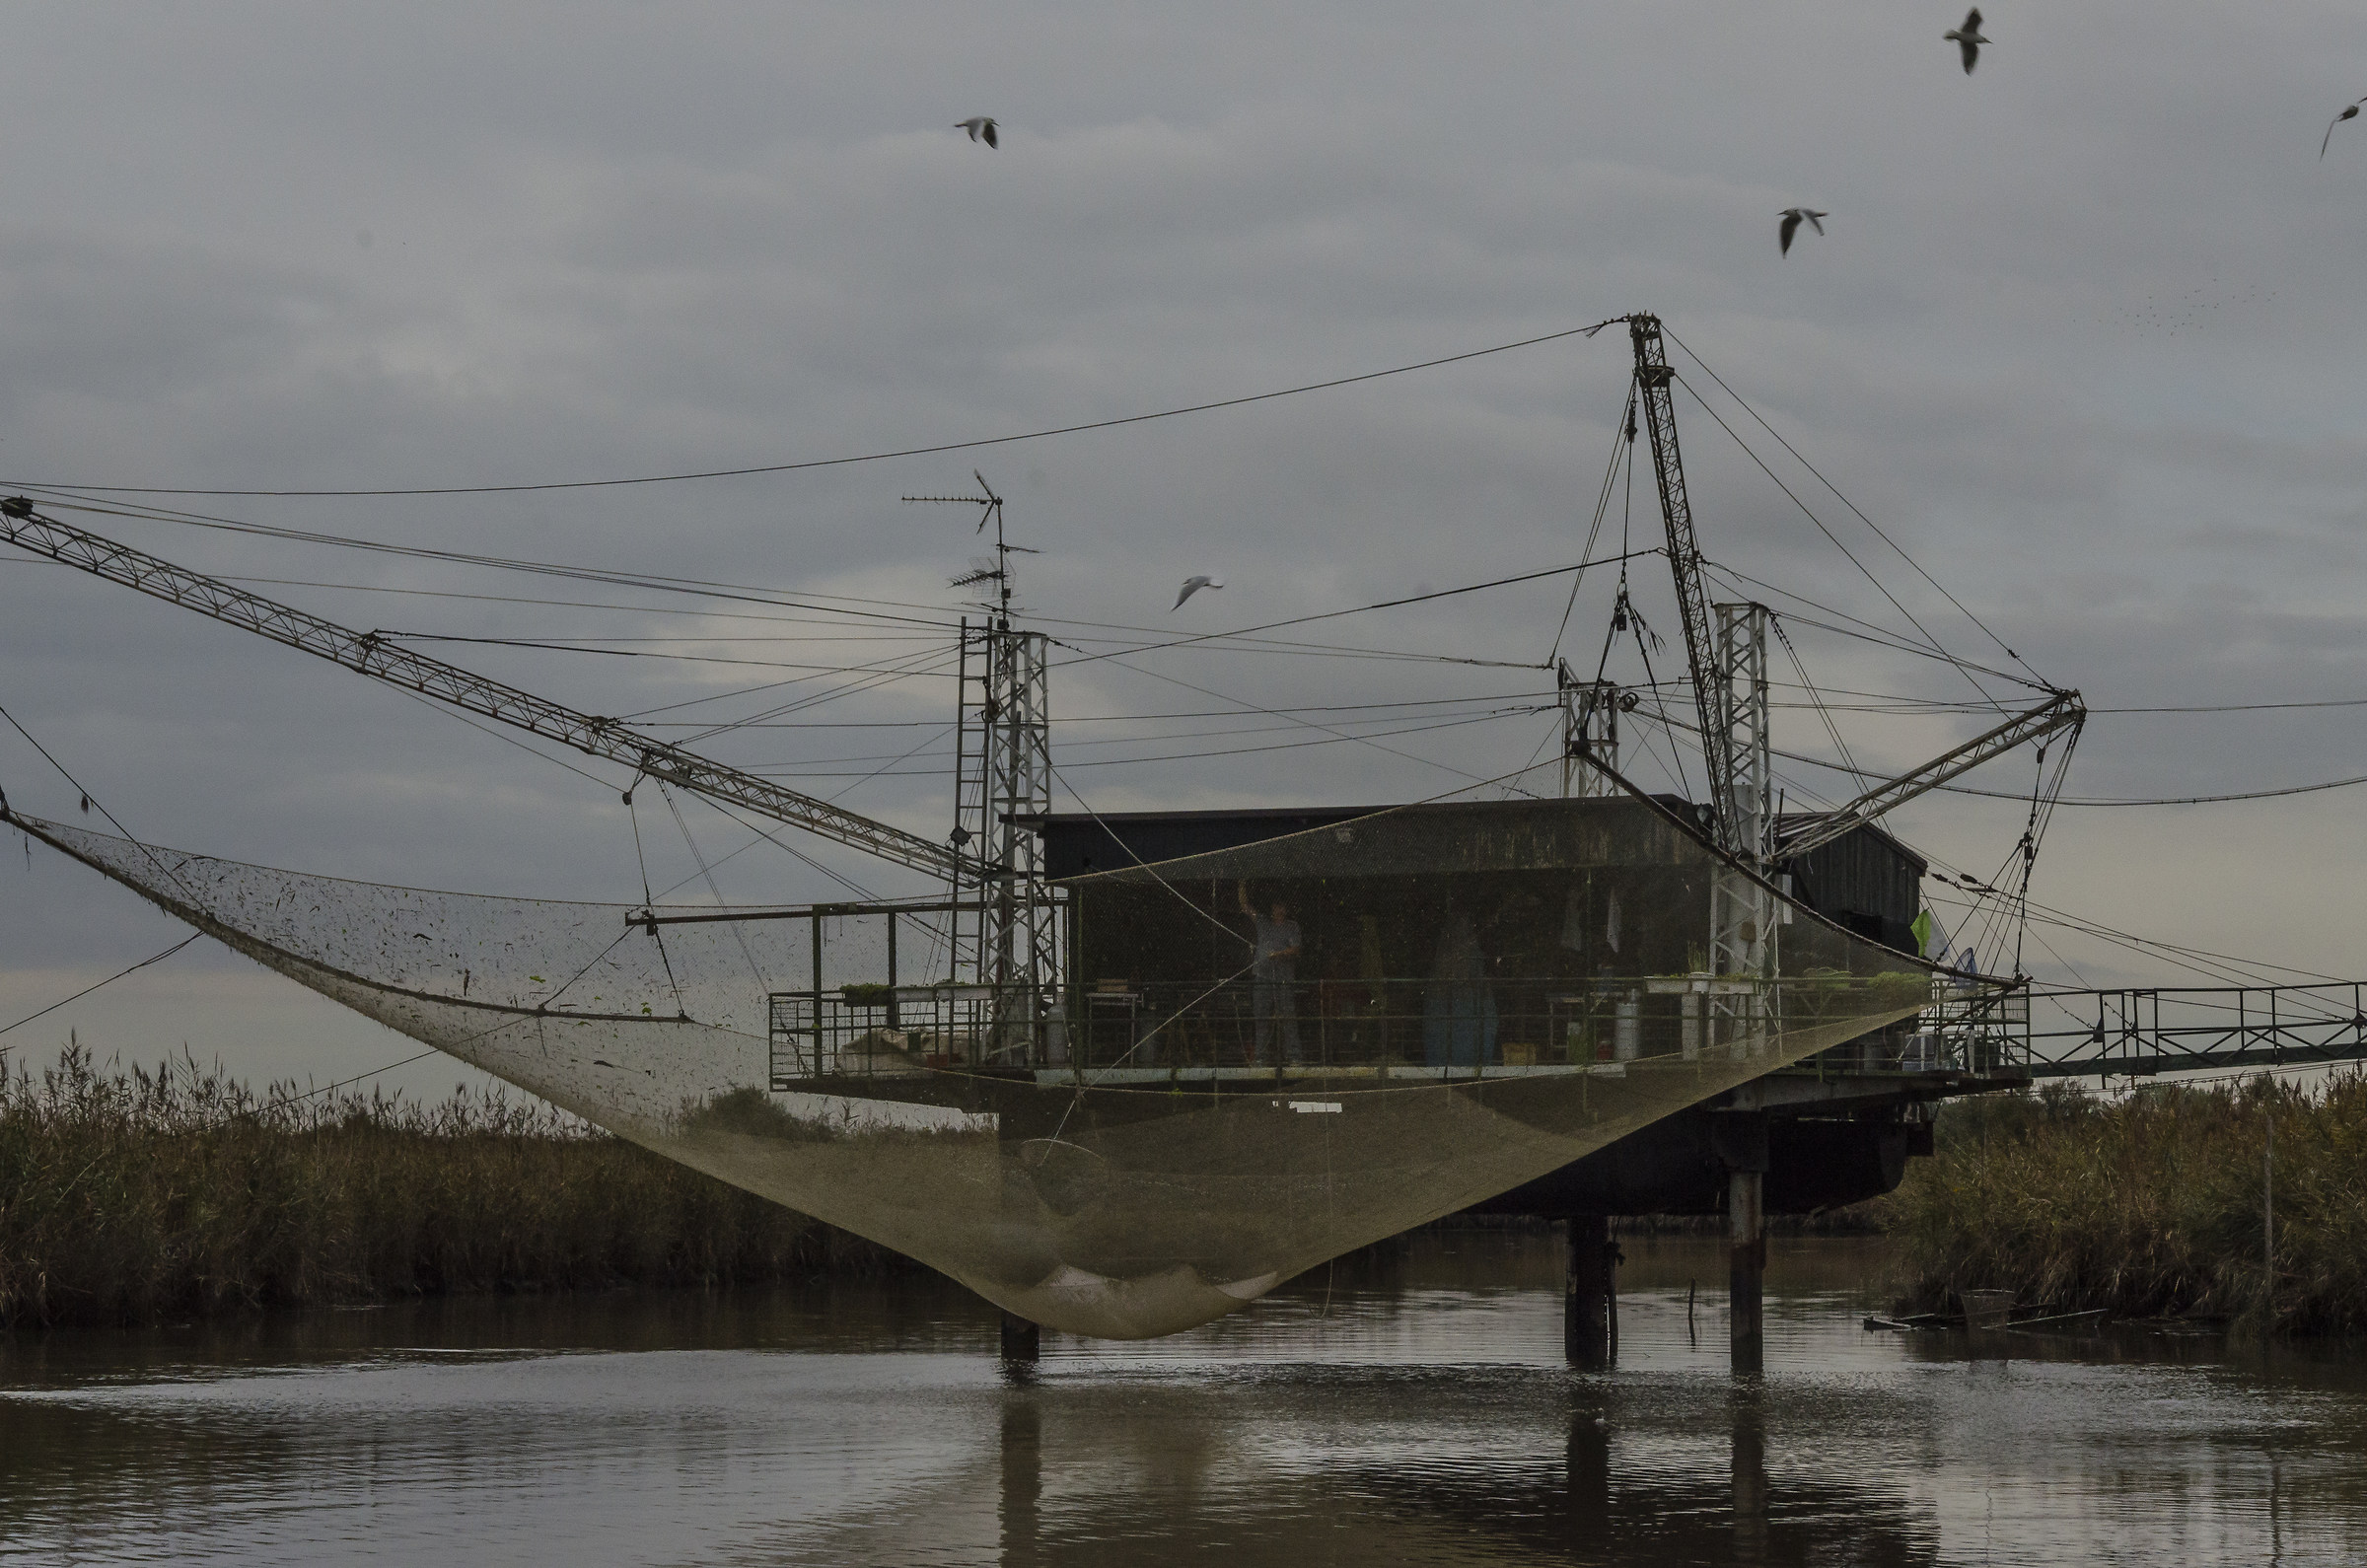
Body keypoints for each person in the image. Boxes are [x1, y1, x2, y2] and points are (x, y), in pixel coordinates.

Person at [1236, 881, 1302, 1065]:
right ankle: (1260, 1058)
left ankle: (1295, 1056)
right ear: (1272, 908)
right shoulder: (1263, 922)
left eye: (1281, 906)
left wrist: (1279, 954)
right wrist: (1241, 886)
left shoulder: (1291, 926)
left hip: (1283, 979)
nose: (1278, 910)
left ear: (1285, 909)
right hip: (1263, 976)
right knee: (1261, 1017)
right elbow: (1245, 906)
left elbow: (1296, 949)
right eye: (1275, 906)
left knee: (1288, 1017)